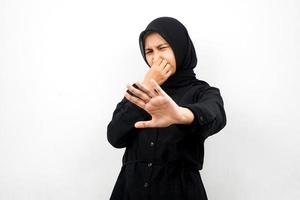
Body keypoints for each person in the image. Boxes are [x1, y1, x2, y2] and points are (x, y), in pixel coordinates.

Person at [107, 16, 227, 200]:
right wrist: (147, 85)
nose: (156, 58)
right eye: (149, 51)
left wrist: (180, 115)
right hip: (130, 191)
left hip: (180, 191)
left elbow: (215, 115)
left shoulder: (203, 91)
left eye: (163, 48)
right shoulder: (138, 91)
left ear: (180, 48)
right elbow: (114, 136)